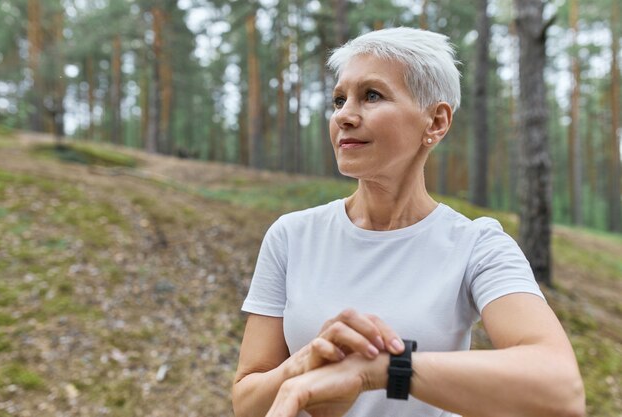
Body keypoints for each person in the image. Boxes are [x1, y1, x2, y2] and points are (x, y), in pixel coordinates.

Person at [232, 27, 585, 417]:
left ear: (435, 121)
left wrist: (384, 370)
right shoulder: (292, 236)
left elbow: (560, 389)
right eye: (338, 99)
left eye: (371, 95)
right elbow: (246, 401)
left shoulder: (476, 245)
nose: (345, 116)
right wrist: (303, 366)